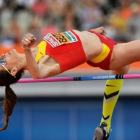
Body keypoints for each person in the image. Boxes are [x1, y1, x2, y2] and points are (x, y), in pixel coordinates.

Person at [0, 26, 139, 140]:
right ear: (13, 70)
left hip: (103, 42)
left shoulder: (38, 49)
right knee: (120, 66)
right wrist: (26, 49)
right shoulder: (40, 63)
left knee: (119, 72)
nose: (2, 56)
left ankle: (105, 124)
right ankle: (105, 123)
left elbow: (69, 41)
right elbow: (38, 74)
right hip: (110, 54)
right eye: (2, 62)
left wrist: (90, 33)